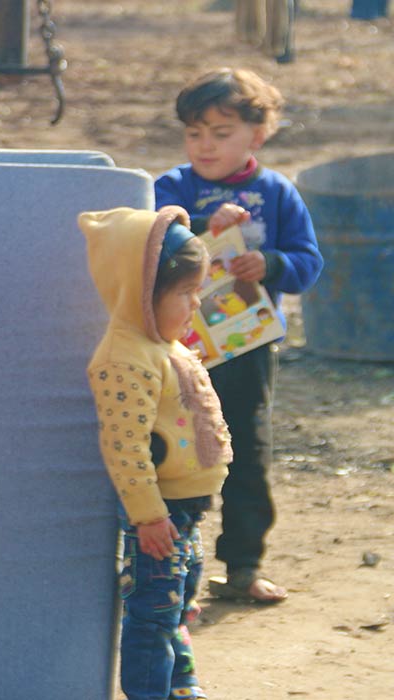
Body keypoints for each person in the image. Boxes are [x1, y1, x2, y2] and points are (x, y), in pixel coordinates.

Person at [155, 67, 323, 604]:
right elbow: (148, 243)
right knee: (173, 450)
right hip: (176, 350)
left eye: (220, 133)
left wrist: (269, 263)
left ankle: (244, 566)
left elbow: (308, 262)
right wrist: (202, 227)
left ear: (258, 133)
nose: (205, 145)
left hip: (248, 349)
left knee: (246, 453)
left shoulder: (276, 193)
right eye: (195, 132)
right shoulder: (174, 186)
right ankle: (165, 563)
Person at [79, 206, 234, 700]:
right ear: (144, 293)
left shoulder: (165, 346)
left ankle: (181, 684)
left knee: (180, 602)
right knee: (153, 613)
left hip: (185, 513)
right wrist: (147, 516)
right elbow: (124, 446)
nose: (195, 304)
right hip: (159, 517)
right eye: (186, 293)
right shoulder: (125, 357)